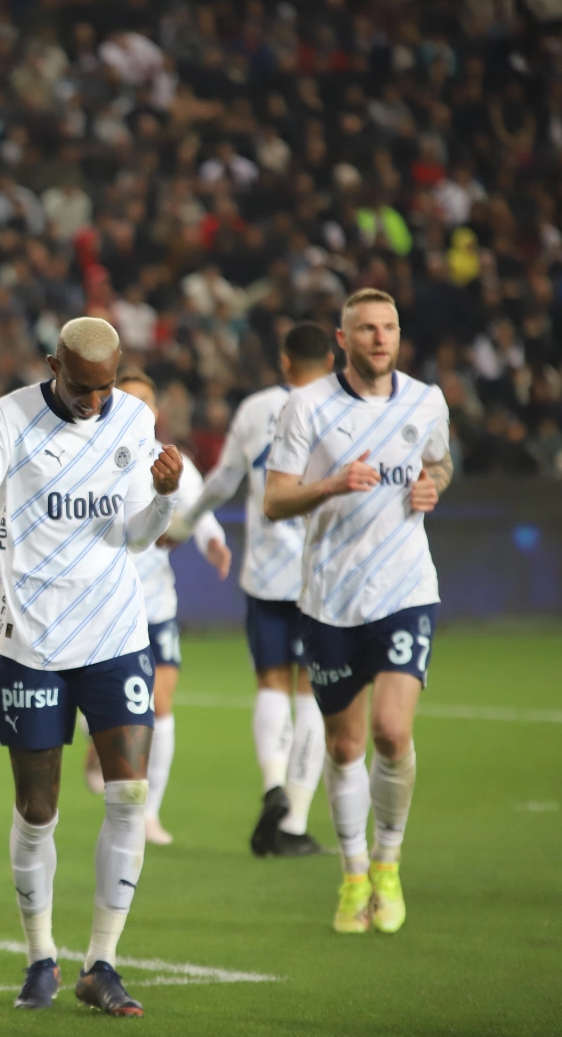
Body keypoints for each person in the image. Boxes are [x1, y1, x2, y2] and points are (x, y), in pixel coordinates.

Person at [0, 316, 184, 1016]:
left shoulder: (131, 418)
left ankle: (101, 963)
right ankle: (39, 957)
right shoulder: (8, 418)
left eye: (105, 388)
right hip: (33, 643)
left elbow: (135, 536)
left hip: (115, 634)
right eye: (82, 388)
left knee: (128, 797)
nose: (94, 402)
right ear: (54, 365)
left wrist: (165, 496)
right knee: (37, 808)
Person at [264, 289, 453, 935]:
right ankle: (351, 877)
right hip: (329, 599)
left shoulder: (425, 400)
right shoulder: (306, 406)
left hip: (405, 590)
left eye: (388, 327)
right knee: (344, 745)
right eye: (366, 329)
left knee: (391, 733)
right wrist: (331, 484)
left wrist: (431, 486)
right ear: (342, 340)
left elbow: (439, 464)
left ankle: (387, 864)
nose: (379, 338)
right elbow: (274, 501)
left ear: (398, 334)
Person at [182, 323, 336, 857]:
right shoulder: (343, 409)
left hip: (268, 574)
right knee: (312, 692)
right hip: (325, 575)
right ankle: (294, 822)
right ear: (331, 363)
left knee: (271, 683)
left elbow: (224, 480)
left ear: (285, 362)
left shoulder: (255, 409)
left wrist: (185, 524)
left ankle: (273, 782)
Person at [80, 372, 231, 847]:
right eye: (129, 398)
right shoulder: (87, 457)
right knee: (106, 705)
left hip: (154, 604)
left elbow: (198, 509)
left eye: (147, 400)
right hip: (100, 605)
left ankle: (148, 812)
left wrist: (213, 542)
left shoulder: (171, 461)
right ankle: (96, 740)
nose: (139, 407)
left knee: (158, 704)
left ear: (156, 410)